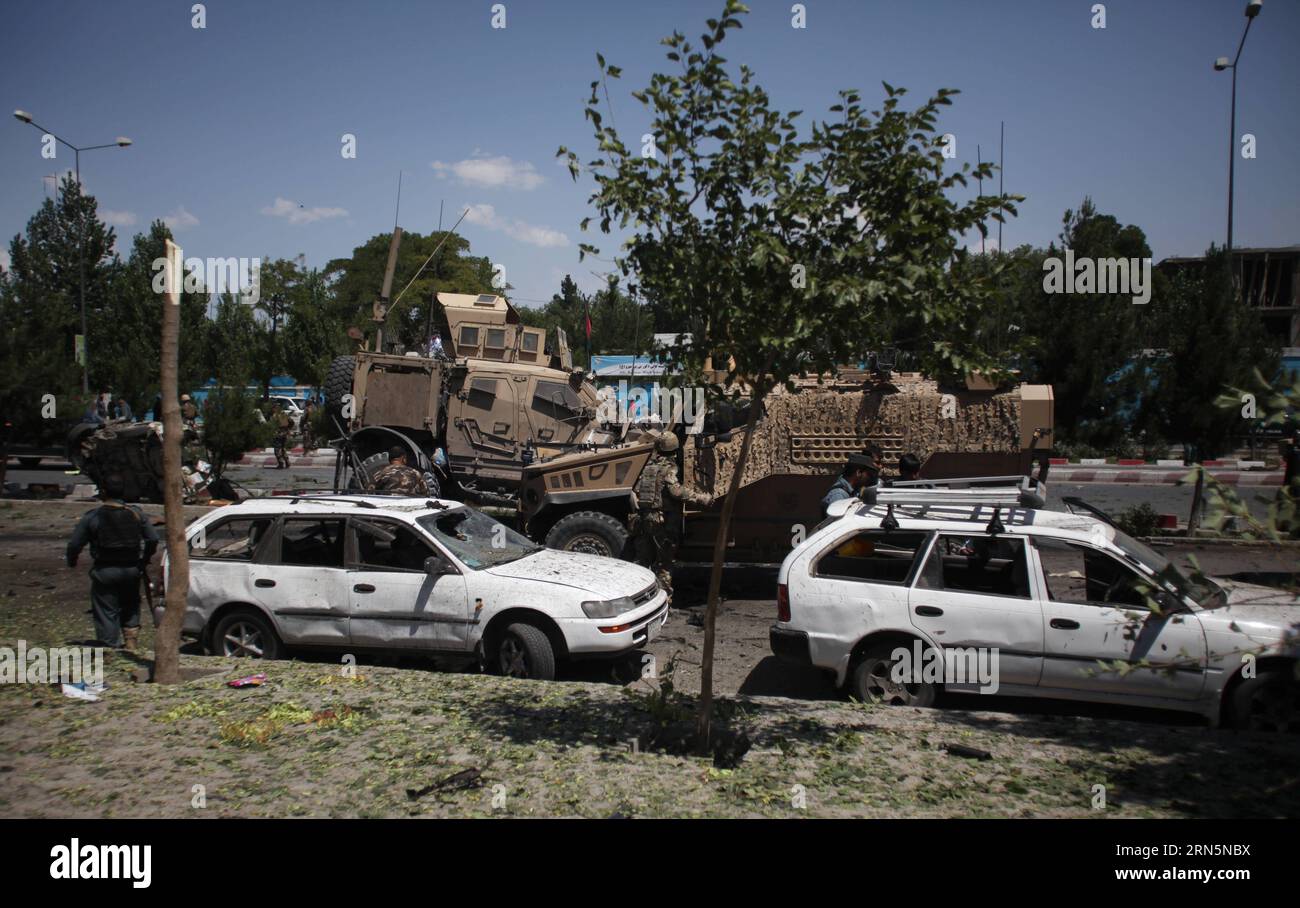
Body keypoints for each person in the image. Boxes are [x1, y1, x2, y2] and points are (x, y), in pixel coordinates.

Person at [65, 472, 159, 651]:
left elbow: (75, 544)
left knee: (106, 610)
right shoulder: (136, 514)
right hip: (131, 569)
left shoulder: (93, 516)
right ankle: (131, 642)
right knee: (131, 605)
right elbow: (153, 538)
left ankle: (111, 648)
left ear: (103, 492)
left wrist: (72, 560)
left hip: (105, 571)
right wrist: (144, 560)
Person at [628, 433, 713, 604]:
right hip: (661, 522)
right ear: (674, 450)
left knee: (642, 561)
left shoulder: (647, 467)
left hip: (643, 520)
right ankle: (663, 601)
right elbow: (676, 492)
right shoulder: (669, 468)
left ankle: (636, 599)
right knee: (664, 564)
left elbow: (635, 493)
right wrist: (701, 498)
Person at [272, 402, 293, 469]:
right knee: (283, 448)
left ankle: (281, 463)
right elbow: (292, 422)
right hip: (285, 433)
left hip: (278, 433)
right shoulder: (284, 414)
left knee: (277, 449)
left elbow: (272, 425)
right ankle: (287, 462)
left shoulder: (275, 415)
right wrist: (288, 429)